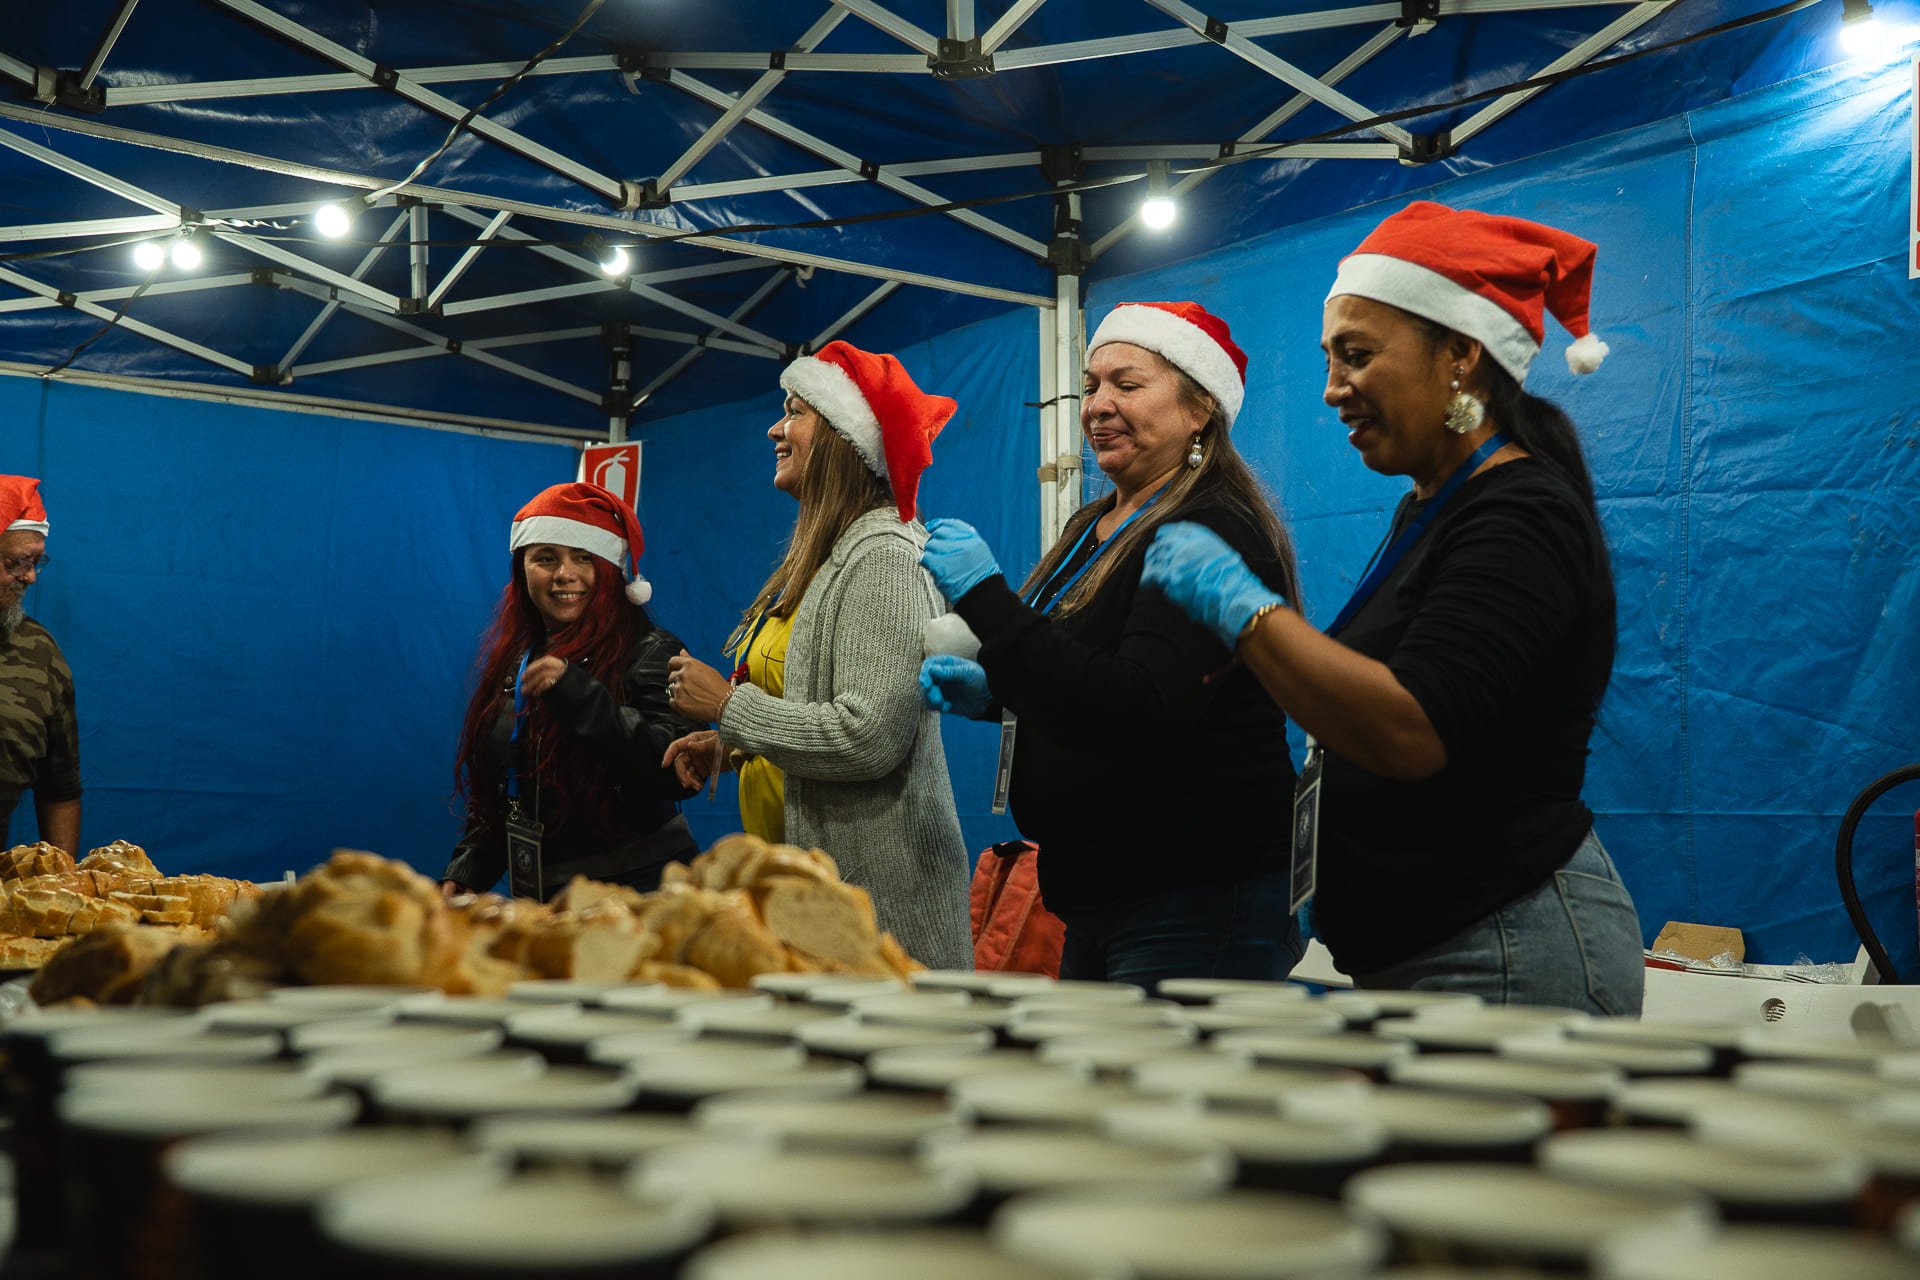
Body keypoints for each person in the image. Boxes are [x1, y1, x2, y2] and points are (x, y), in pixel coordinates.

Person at [1142, 201, 1644, 1014]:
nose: (1334, 389)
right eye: (1330, 359)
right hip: (1432, 954)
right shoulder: (1433, 507)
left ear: (1460, 355)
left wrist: (1247, 610)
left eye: (1358, 356)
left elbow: (1413, 730)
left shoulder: (1520, 513)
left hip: (1506, 955)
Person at [917, 302, 1305, 989]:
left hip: (1194, 899)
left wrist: (985, 599)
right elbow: (1087, 679)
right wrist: (1002, 698)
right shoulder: (1095, 522)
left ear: (1200, 409)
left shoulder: (1210, 527)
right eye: (1091, 386)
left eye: (1127, 386)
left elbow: (1137, 704)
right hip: (1101, 894)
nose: (1098, 405)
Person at [661, 341, 972, 970]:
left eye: (796, 411)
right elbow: (816, 707)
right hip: (825, 905)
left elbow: (869, 737)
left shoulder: (883, 558)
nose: (776, 428)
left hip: (883, 919)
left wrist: (730, 707)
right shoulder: (835, 555)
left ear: (842, 438)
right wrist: (734, 745)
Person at [442, 481, 700, 899]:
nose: (565, 574)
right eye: (546, 558)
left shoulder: (653, 651)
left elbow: (677, 772)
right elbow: (505, 791)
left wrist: (580, 697)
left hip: (645, 897)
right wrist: (467, 871)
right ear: (521, 570)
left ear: (612, 571)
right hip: (547, 900)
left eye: (584, 558)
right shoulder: (518, 659)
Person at [0, 476, 80, 856]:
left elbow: (59, 789)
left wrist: (63, 885)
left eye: (36, 562)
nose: (29, 577)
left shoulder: (38, 651)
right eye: (16, 563)